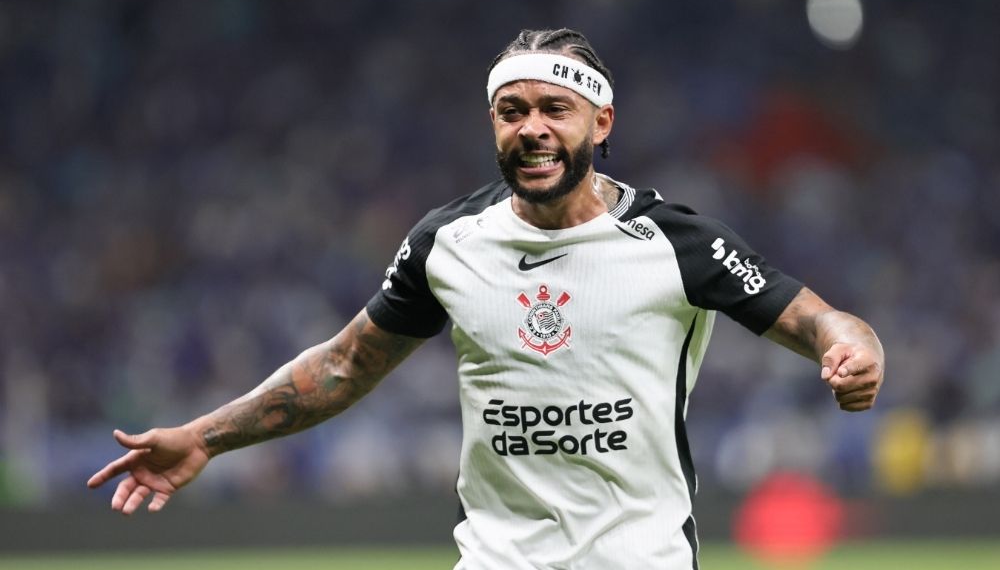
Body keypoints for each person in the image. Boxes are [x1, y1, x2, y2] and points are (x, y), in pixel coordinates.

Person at [89, 28, 884, 569]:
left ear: (601, 121)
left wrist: (853, 344)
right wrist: (203, 438)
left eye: (554, 110)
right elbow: (343, 366)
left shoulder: (675, 242)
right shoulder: (448, 243)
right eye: (512, 112)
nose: (531, 128)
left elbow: (816, 318)